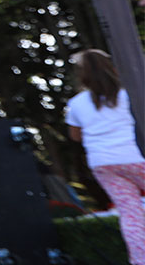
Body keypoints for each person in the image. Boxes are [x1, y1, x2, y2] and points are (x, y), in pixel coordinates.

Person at [66, 48, 145, 265]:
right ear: (111, 68)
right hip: (132, 157)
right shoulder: (126, 95)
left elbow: (75, 136)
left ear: (82, 74)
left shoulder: (76, 103)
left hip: (102, 163)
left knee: (130, 214)